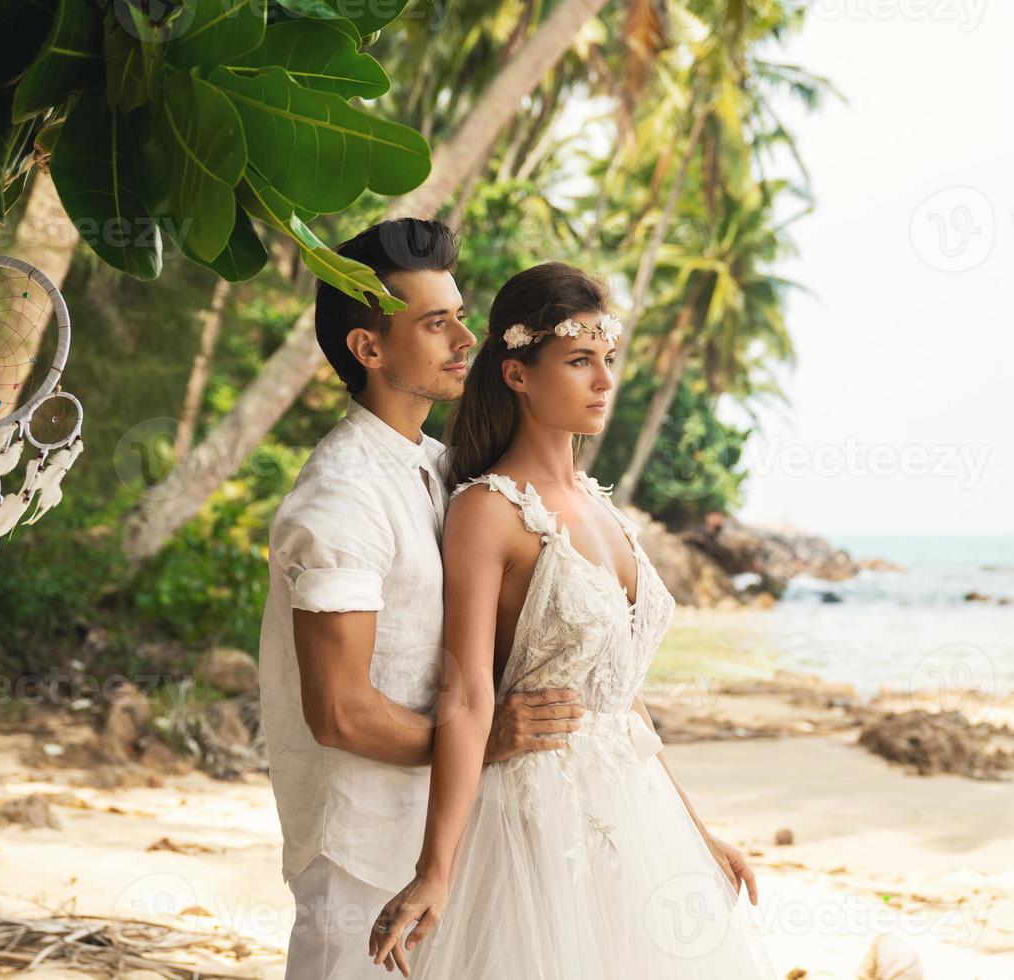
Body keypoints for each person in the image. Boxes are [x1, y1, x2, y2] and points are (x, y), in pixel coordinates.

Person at [367, 262, 776, 977]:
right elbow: (466, 695)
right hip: (537, 824)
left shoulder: (602, 504)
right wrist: (435, 868)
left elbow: (622, 698)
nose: (604, 382)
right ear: (519, 373)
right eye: (579, 361)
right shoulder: (487, 512)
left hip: (641, 820)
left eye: (607, 360)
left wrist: (696, 833)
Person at [258, 220, 587, 980]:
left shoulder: (442, 470)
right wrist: (487, 742)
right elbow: (339, 712)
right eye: (436, 324)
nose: (465, 338)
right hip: (362, 855)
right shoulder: (339, 500)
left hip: (448, 838)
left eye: (461, 315)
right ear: (368, 350)